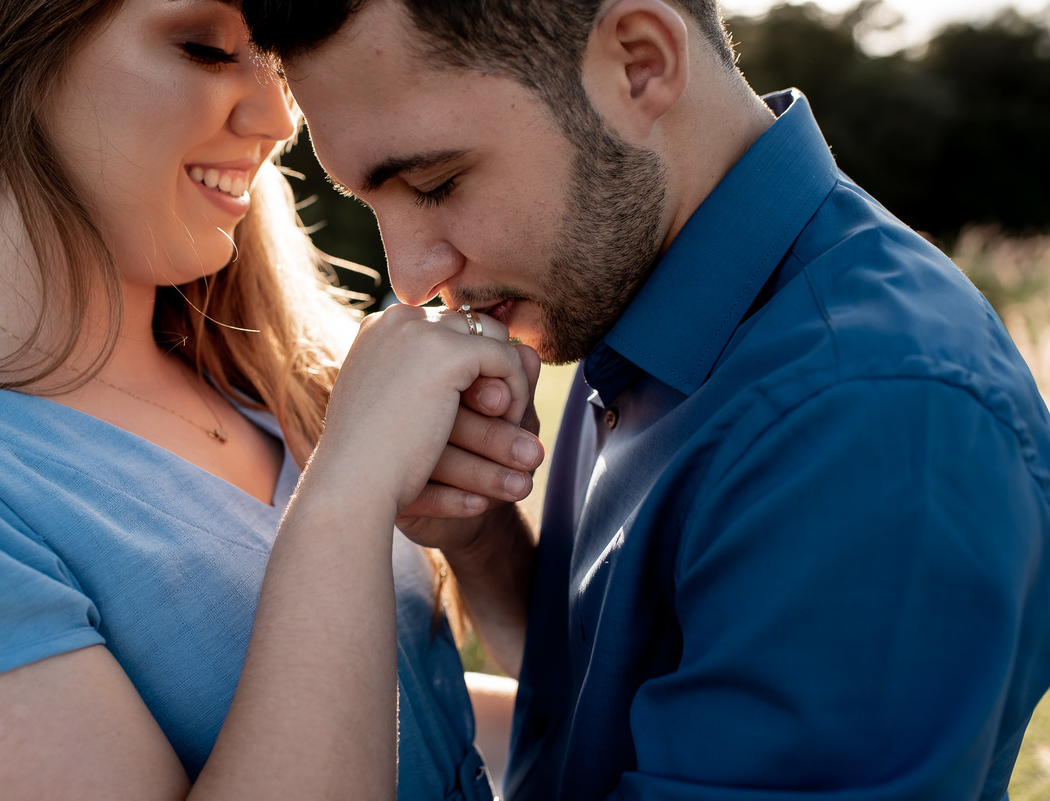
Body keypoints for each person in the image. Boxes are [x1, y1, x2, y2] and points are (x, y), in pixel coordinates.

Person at [243, 0, 1050, 798]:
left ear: (640, 62)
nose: (413, 277)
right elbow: (603, 705)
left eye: (437, 182)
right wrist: (481, 536)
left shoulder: (870, 417)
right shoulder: (641, 304)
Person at [0, 0, 546, 797]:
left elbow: (425, 728)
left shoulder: (265, 380)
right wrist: (347, 498)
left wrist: (480, 528)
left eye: (272, 59)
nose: (280, 116)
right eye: (206, 50)